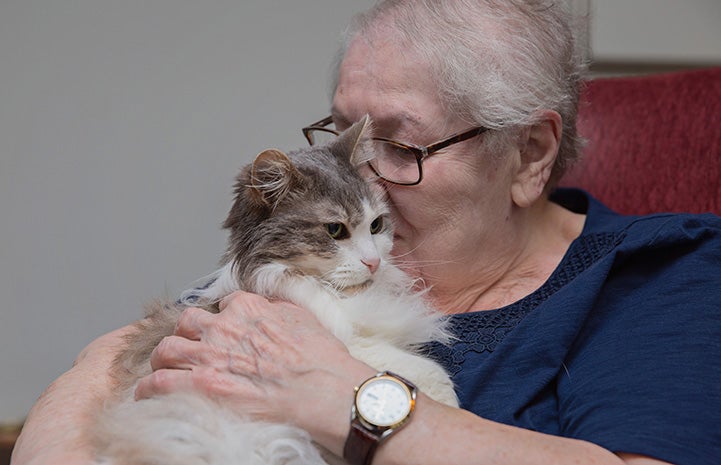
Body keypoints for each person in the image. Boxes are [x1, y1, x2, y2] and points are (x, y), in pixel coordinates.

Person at [13, 1, 721, 464]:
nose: (365, 182)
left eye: (403, 146)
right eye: (349, 134)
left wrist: (346, 399)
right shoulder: (319, 260)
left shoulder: (658, 272)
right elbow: (105, 363)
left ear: (529, 154)